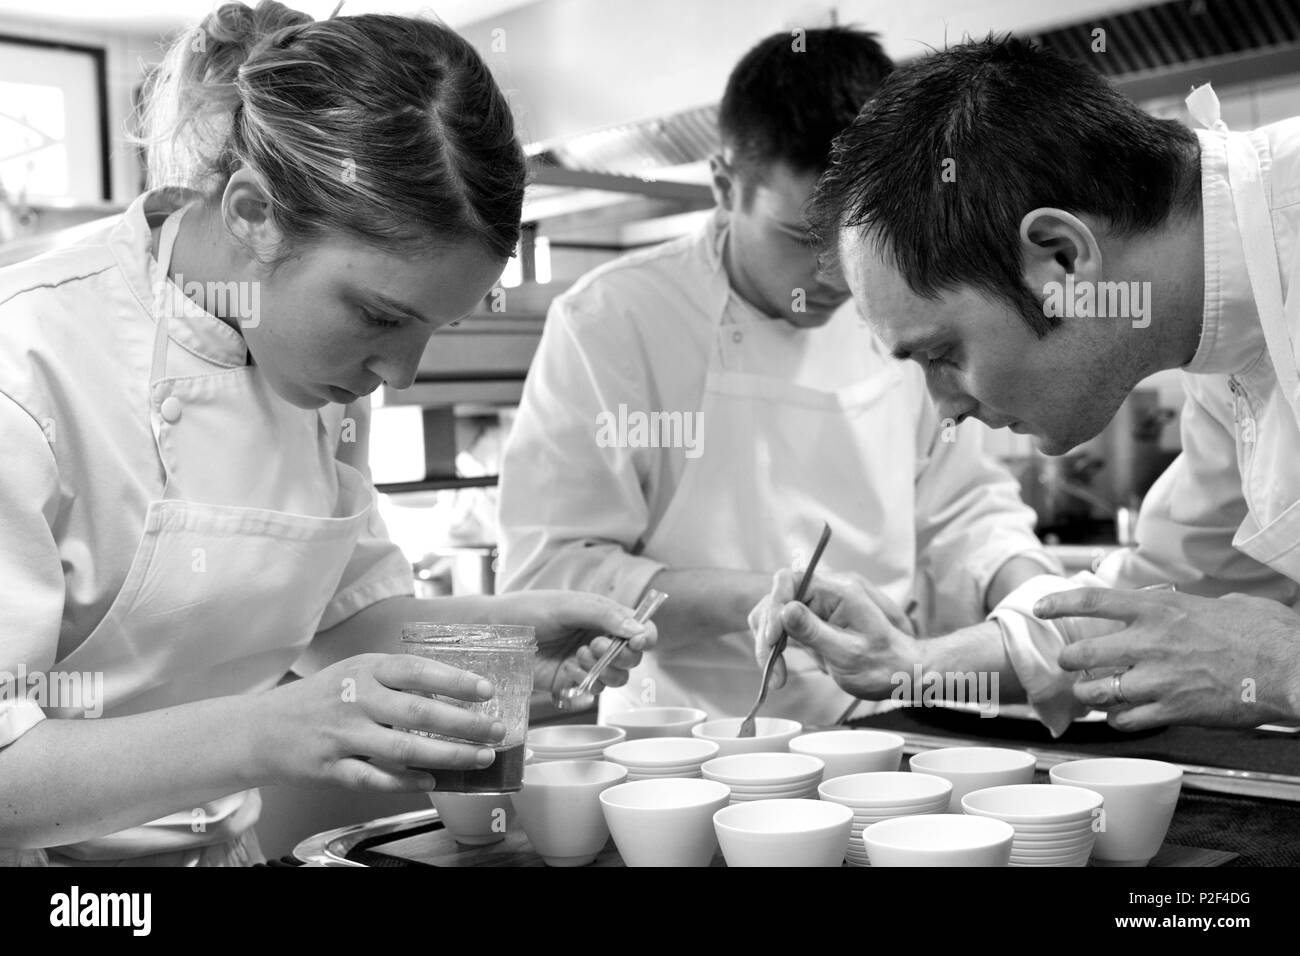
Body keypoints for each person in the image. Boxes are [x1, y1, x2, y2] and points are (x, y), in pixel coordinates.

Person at [0, 2, 655, 867]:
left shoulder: (318, 374)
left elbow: (348, 616)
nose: (402, 373)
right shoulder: (30, 370)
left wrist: (507, 638)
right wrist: (270, 732)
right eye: (379, 317)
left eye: (433, 330)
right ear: (253, 213)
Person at [497, 27, 1057, 725]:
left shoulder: (900, 303)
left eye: (858, 239)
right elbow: (549, 574)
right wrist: (767, 596)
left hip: (883, 724)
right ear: (726, 185)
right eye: (803, 239)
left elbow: (965, 509)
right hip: (687, 743)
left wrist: (1041, 607)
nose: (837, 277)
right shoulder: (613, 320)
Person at [752, 34, 1300, 735]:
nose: (944, 410)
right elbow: (1153, 603)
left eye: (941, 352)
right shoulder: (1223, 351)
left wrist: (1278, 666)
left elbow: (1245, 653)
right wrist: (911, 663)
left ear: (1062, 260)